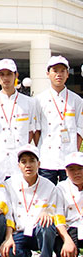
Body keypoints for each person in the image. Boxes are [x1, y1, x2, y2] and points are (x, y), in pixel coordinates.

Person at [0, 144, 60, 257]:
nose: (28, 165)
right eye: (24, 162)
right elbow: (8, 214)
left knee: (47, 223)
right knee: (7, 253)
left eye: (32, 161)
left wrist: (47, 212)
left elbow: (54, 209)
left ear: (39, 163)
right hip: (19, 231)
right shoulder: (9, 184)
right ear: (18, 165)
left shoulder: (49, 186)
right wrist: (8, 238)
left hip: (38, 231)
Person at [34, 55, 83, 185]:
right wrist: (42, 148)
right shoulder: (39, 100)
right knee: (46, 191)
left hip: (69, 157)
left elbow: (80, 129)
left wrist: (73, 149)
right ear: (48, 74)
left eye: (62, 71)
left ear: (67, 74)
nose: (59, 74)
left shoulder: (76, 100)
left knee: (70, 193)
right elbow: (37, 130)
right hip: (47, 158)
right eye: (55, 71)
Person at [0, 58, 36, 177]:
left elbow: (31, 131)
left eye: (9, 74)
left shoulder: (29, 103)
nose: (6, 78)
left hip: (21, 161)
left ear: (16, 75)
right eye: (2, 74)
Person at [53, 152, 83, 257]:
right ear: (66, 171)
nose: (76, 173)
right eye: (72, 169)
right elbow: (58, 218)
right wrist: (67, 240)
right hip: (69, 229)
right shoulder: (60, 188)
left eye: (80, 168)